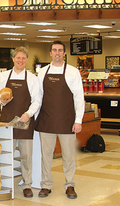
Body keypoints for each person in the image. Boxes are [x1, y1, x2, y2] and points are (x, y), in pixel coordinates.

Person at [35, 40, 84, 199]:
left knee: (69, 155)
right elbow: (38, 97)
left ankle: (69, 184)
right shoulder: (42, 72)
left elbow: (79, 97)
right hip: (46, 120)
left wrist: (79, 120)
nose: (57, 53)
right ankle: (46, 184)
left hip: (67, 121)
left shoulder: (72, 72)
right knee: (46, 155)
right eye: (54, 50)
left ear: (64, 53)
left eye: (60, 50)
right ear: (50, 53)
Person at [0, 46, 41, 198]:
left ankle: (27, 184)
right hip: (7, 121)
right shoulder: (3, 76)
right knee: (5, 154)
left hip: (24, 122)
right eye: (18, 58)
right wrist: (1, 100)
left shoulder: (32, 78)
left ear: (26, 60)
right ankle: (4, 183)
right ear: (13, 59)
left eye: (23, 58)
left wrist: (28, 114)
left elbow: (37, 100)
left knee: (26, 156)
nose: (20, 60)